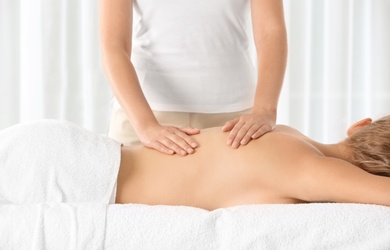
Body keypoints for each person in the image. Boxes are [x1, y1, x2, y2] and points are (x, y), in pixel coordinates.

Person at [1, 116, 389, 210]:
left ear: (359, 126)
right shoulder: (313, 170)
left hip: (62, 145)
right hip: (81, 176)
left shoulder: (284, 133)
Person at [99, 0, 288, 156]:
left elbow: (270, 32)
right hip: (143, 117)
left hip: (235, 123)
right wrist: (146, 126)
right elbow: (113, 47)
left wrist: (265, 110)